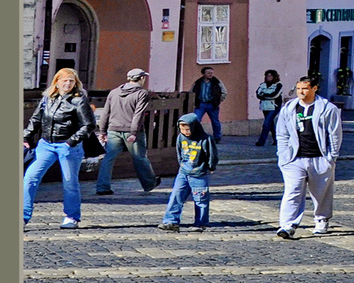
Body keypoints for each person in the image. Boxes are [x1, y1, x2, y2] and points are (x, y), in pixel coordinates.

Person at [23, 68, 97, 229]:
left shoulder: (79, 100)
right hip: (46, 145)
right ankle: (22, 216)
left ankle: (71, 216)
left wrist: (71, 141)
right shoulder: (48, 98)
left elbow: (89, 124)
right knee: (30, 178)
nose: (68, 84)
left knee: (70, 182)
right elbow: (36, 119)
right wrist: (27, 136)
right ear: (57, 82)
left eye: (71, 81)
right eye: (65, 80)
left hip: (68, 146)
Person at [275, 75, 342, 239]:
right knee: (292, 192)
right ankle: (287, 225)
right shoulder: (289, 108)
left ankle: (321, 219)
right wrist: (283, 155)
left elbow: (334, 134)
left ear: (314, 88)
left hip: (319, 158)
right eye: (298, 89)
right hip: (294, 159)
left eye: (304, 89)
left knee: (321, 193)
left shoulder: (328, 108)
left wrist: (331, 157)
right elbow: (282, 134)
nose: (301, 92)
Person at [96, 67, 159, 195]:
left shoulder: (114, 92)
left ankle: (102, 187)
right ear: (141, 78)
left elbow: (106, 112)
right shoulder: (142, 93)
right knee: (139, 158)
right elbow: (138, 114)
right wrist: (134, 132)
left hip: (113, 129)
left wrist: (102, 131)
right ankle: (149, 183)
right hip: (132, 130)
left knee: (108, 158)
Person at [159, 112, 217, 231]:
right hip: (184, 172)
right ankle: (171, 221)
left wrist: (211, 167)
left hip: (199, 174)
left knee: (201, 199)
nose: (185, 132)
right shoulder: (181, 137)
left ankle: (200, 223)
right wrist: (181, 164)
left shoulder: (205, 139)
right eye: (182, 129)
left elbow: (212, 155)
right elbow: (179, 151)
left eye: (187, 129)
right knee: (176, 196)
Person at [190, 66, 226, 146]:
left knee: (215, 121)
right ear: (203, 74)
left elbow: (224, 93)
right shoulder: (198, 82)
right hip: (200, 104)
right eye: (208, 73)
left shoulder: (217, 82)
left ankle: (217, 137)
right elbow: (192, 92)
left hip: (212, 104)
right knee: (196, 121)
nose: (210, 74)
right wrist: (194, 101)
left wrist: (217, 101)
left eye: (212, 73)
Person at [255, 70, 285, 148]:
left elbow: (274, 95)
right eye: (267, 76)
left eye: (270, 76)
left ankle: (261, 141)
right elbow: (258, 94)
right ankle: (277, 140)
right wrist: (266, 96)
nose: (268, 77)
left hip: (274, 107)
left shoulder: (278, 85)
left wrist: (264, 95)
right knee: (270, 124)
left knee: (266, 123)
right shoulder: (263, 85)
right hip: (265, 107)